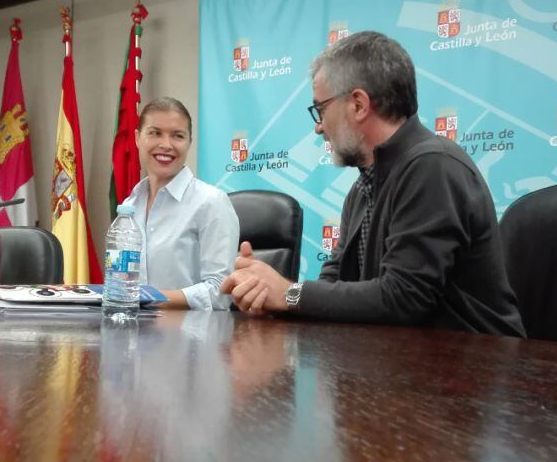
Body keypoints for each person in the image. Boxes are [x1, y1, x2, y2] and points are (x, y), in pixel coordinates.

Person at [222, 31, 524, 337]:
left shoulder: (433, 166)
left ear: (358, 105)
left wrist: (288, 294)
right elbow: (333, 283)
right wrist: (268, 297)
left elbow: (405, 298)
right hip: (397, 364)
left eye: (321, 109)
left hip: (473, 370)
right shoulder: (363, 187)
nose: (318, 127)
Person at [120, 97, 240, 310]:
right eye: (155, 133)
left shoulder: (211, 202)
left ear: (189, 142)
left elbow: (220, 291)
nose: (166, 145)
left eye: (177, 136)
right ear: (138, 138)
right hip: (132, 335)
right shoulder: (130, 204)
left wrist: (149, 299)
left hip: (192, 338)